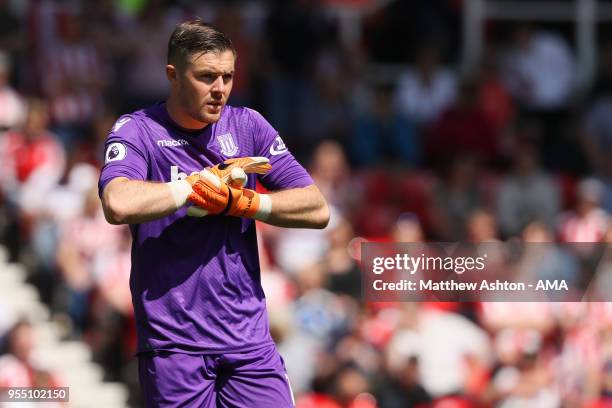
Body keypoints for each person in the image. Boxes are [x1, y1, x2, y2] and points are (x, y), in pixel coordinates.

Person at [98, 19, 329, 407]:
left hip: (249, 340)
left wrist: (244, 203)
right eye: (206, 77)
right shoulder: (137, 131)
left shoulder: (248, 125)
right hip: (174, 345)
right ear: (173, 75)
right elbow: (117, 203)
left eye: (228, 76)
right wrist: (193, 187)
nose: (219, 89)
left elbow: (316, 206)